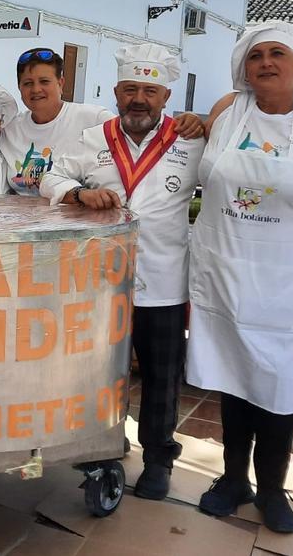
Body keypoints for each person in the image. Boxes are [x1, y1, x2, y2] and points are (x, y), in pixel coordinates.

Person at [188, 22, 293, 533]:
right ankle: (233, 480)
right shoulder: (225, 111)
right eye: (256, 55)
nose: (265, 62)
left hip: (290, 282)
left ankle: (272, 490)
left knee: (280, 384)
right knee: (234, 378)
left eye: (277, 54)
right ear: (244, 67)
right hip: (225, 270)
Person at [41, 43, 204, 502]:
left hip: (165, 279)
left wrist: (208, 120)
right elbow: (50, 176)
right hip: (98, 281)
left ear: (165, 95)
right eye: (130, 89)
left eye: (149, 91)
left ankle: (158, 459)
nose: (139, 99)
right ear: (116, 91)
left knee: (161, 374)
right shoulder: (94, 137)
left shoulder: (190, 140)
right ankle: (103, 449)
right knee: (96, 371)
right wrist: (76, 194)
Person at [0, 47, 204, 195]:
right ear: (19, 87)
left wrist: (191, 122)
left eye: (45, 81)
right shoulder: (10, 129)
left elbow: (137, 134)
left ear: (61, 83)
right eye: (28, 83)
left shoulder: (95, 119)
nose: (36, 90)